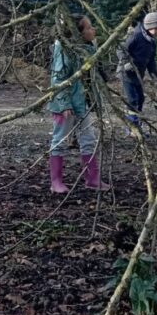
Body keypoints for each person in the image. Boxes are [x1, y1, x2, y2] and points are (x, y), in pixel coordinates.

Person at [47, 14, 110, 193]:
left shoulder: (88, 48)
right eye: (89, 27)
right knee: (59, 140)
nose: (93, 30)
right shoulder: (64, 50)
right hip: (66, 105)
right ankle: (56, 181)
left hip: (84, 102)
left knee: (88, 138)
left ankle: (92, 178)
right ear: (77, 33)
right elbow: (58, 79)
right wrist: (65, 104)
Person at [123, 12, 157, 126]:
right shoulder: (136, 35)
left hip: (138, 74)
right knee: (132, 100)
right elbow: (121, 50)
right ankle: (131, 126)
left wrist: (153, 73)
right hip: (126, 74)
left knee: (140, 98)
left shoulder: (152, 41)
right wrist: (127, 63)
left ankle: (137, 125)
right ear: (152, 27)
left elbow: (151, 59)